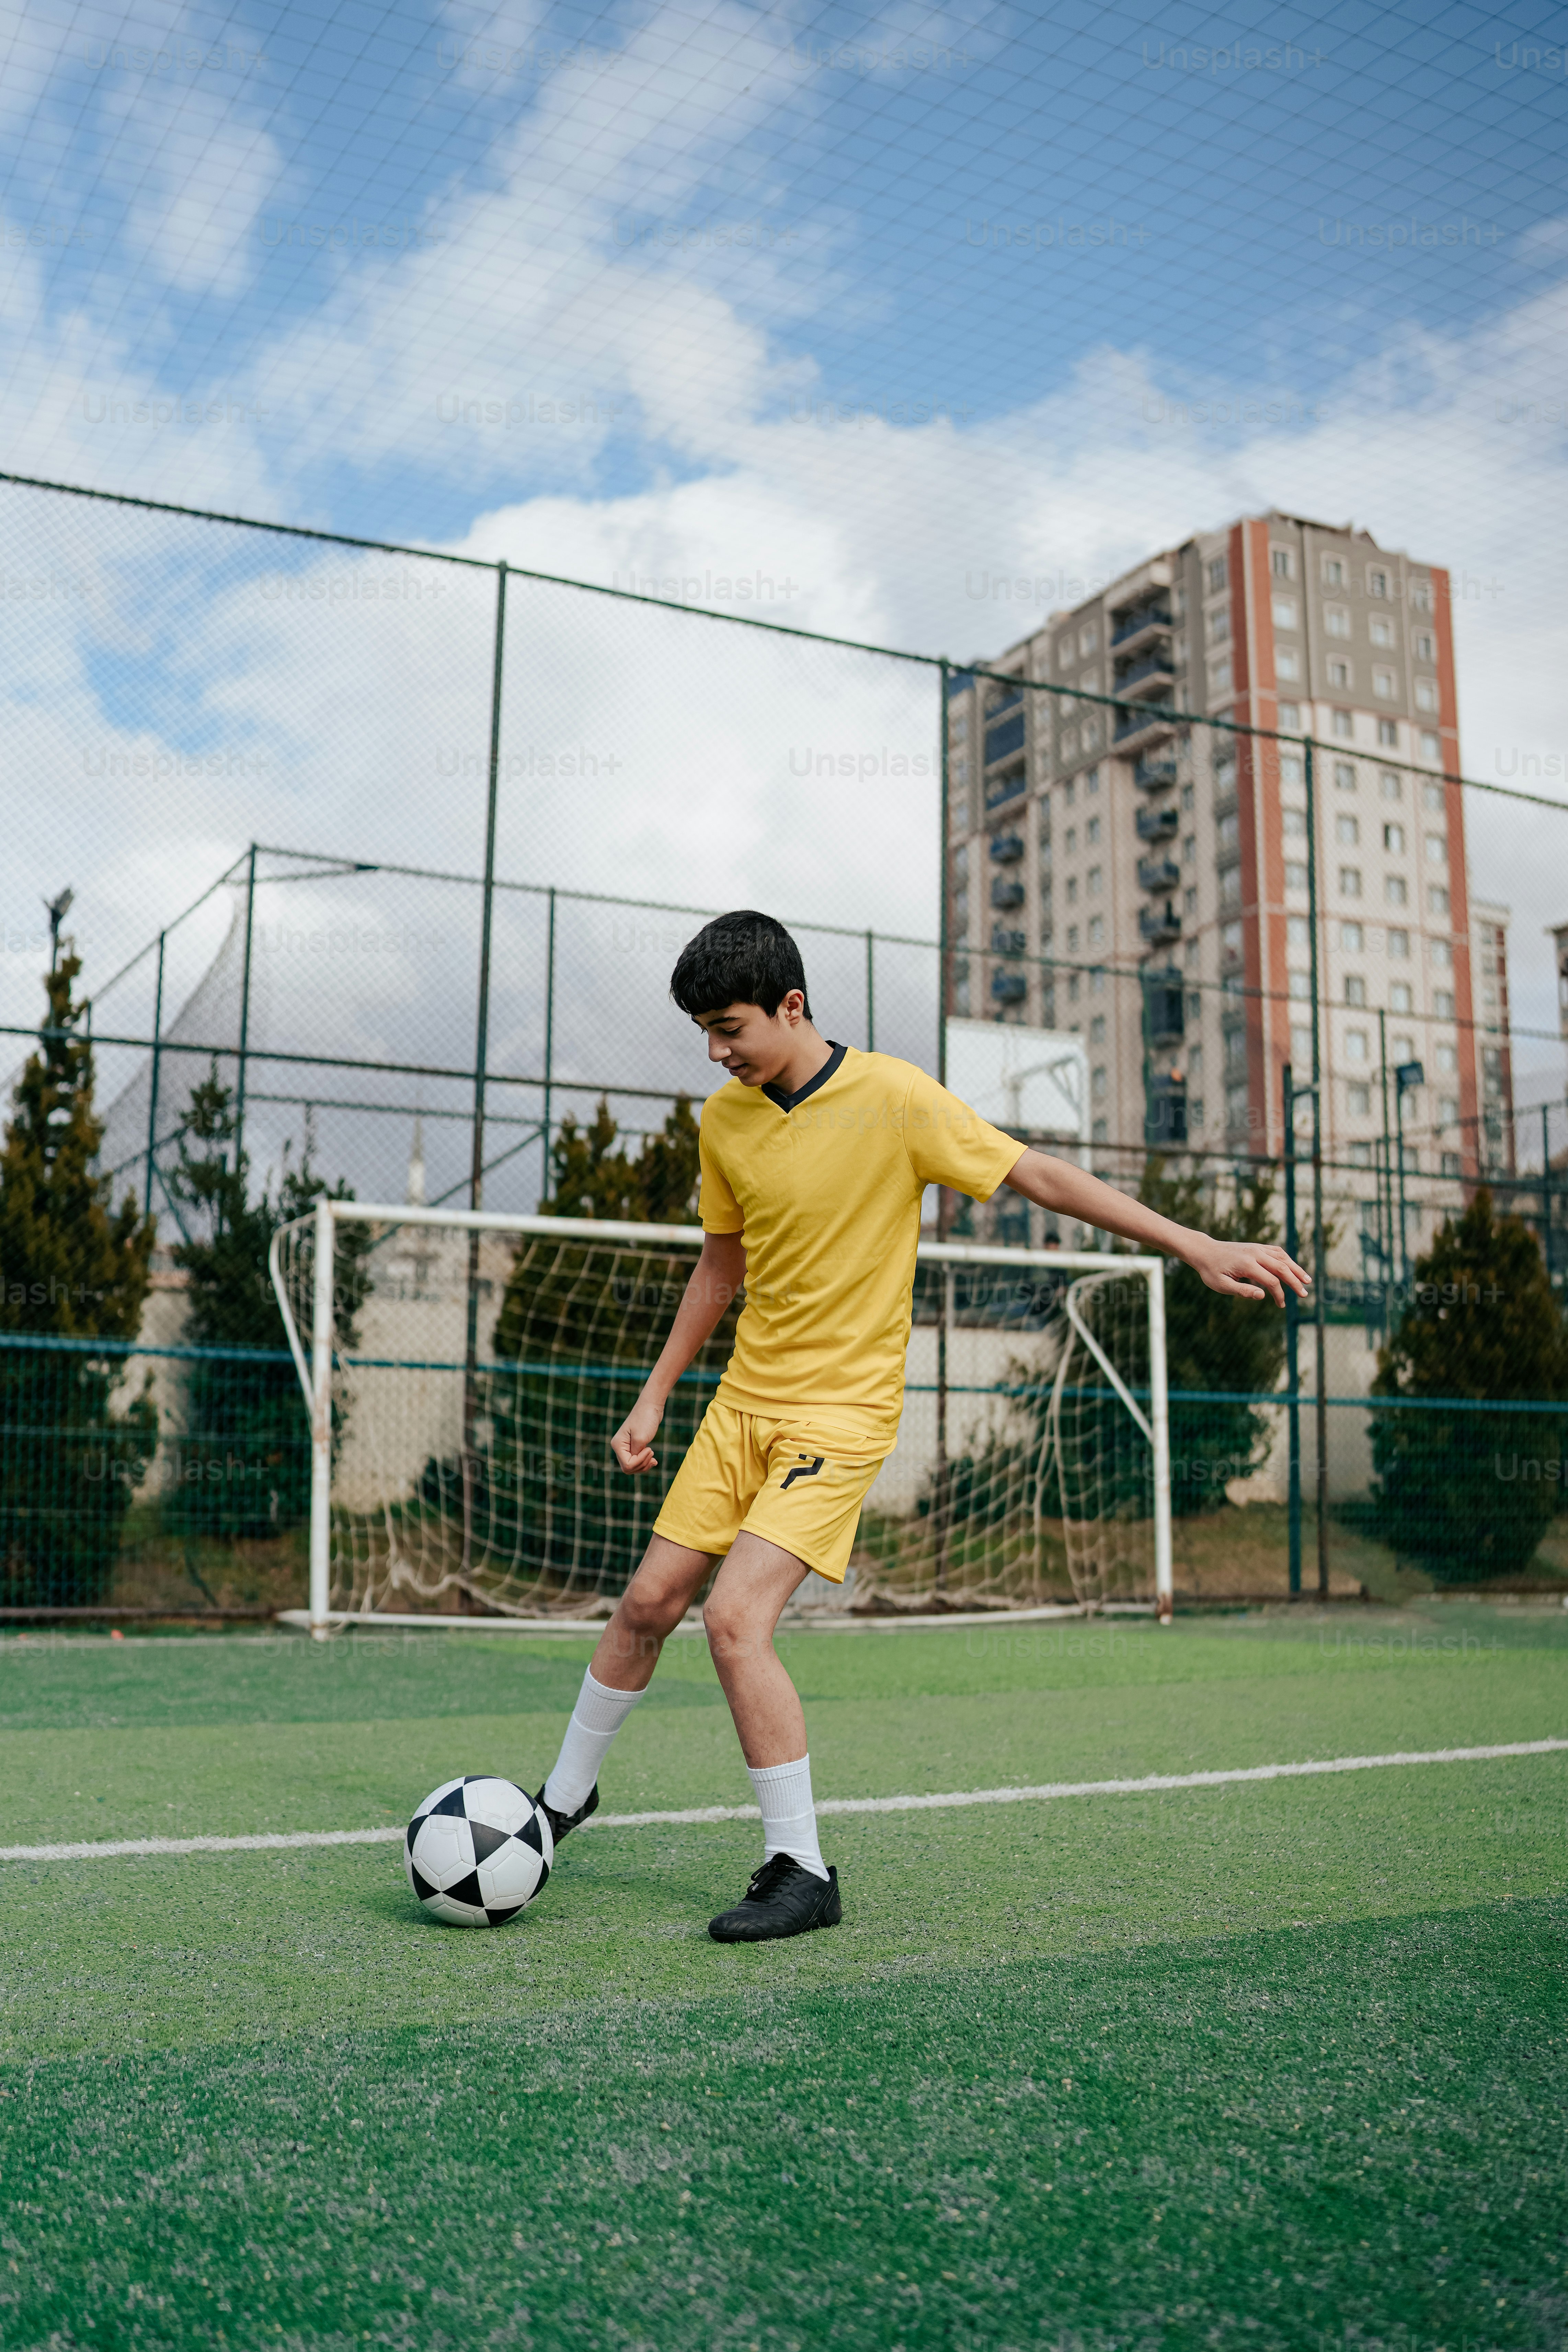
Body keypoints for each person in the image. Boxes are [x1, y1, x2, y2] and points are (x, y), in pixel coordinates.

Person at [536, 911, 1308, 1943]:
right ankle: (561, 1803)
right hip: (741, 1406)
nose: (717, 1053)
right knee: (644, 1604)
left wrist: (1192, 1241)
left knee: (733, 1622)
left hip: (841, 1412)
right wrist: (656, 1392)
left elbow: (1037, 1174)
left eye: (729, 1028)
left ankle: (802, 1868)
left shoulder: (896, 1098)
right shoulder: (726, 1118)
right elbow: (723, 1265)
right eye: (705, 1034)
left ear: (793, 1006)